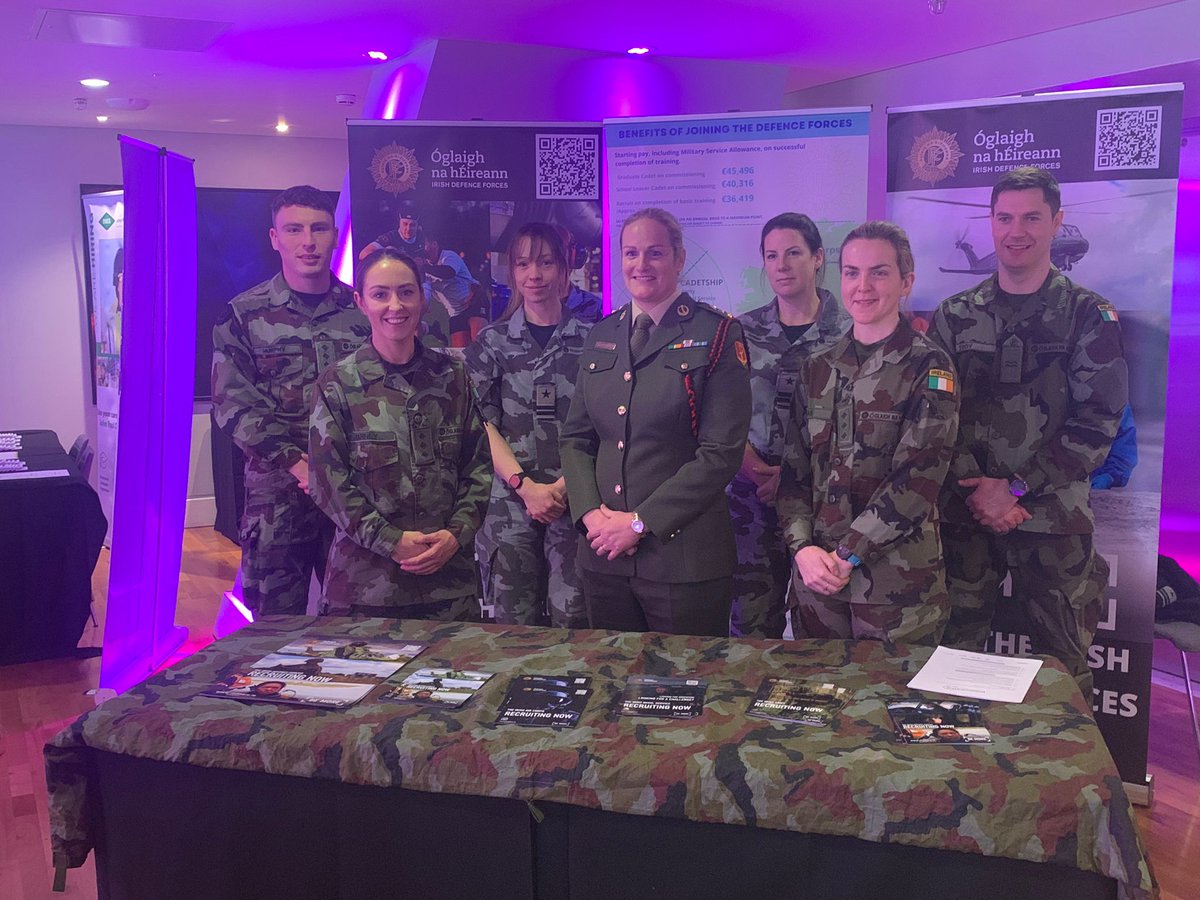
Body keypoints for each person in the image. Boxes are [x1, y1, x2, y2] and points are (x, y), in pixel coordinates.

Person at [929, 167, 1127, 695]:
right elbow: (935, 415)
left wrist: (1012, 489)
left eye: (1032, 217)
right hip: (966, 515)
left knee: (1061, 669)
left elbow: (1097, 423)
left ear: (1057, 222)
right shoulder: (955, 315)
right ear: (991, 223)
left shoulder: (1089, 316)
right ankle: (953, 775)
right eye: (1005, 217)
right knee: (953, 661)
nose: (1016, 230)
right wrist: (980, 492)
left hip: (1053, 520)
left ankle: (1065, 779)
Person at [560, 207, 751, 636]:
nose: (640, 265)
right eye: (630, 253)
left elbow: (720, 454)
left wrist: (639, 522)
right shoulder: (602, 334)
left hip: (682, 561)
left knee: (683, 690)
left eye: (655, 253)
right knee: (611, 684)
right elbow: (575, 438)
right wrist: (591, 514)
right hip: (604, 556)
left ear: (680, 259)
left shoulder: (718, 334)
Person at [776, 221, 959, 645]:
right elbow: (793, 473)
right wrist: (802, 548)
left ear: (906, 282)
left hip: (895, 590)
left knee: (890, 707)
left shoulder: (930, 369)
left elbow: (917, 479)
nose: (863, 286)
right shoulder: (816, 367)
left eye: (879, 272)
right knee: (813, 704)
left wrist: (848, 553)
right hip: (817, 586)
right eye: (852, 273)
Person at [308, 249, 491, 619]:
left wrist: (456, 534)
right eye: (381, 294)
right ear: (361, 301)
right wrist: (390, 542)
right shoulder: (338, 385)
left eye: (407, 292)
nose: (396, 305)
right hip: (365, 593)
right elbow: (328, 484)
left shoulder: (453, 378)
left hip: (449, 588)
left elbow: (478, 470)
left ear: (422, 298)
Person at [212, 185, 369, 616]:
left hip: (352, 495)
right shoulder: (245, 314)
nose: (308, 241)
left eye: (319, 228)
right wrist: (296, 462)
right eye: (294, 229)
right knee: (273, 630)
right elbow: (234, 403)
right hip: (278, 498)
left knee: (353, 625)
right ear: (274, 238)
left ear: (335, 235)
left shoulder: (362, 312)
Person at [464, 223, 601, 628]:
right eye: (523, 264)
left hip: (576, 498)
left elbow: (605, 420)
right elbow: (482, 423)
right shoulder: (491, 342)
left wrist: (561, 487)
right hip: (510, 502)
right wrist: (527, 488)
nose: (534, 275)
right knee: (512, 623)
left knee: (575, 619)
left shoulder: (595, 339)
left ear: (564, 267)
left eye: (545, 262)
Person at [728, 213, 849, 639]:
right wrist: (748, 464)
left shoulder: (850, 331)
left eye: (794, 253)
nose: (781, 265)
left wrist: (795, 477)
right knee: (749, 626)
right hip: (749, 500)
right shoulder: (739, 331)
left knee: (819, 631)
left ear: (818, 258)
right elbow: (718, 411)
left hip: (823, 505)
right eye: (772, 255)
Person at [422, 234, 483, 347]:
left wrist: (423, 267)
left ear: (434, 244)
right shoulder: (424, 269)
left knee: (479, 344)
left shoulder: (449, 256)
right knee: (460, 353)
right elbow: (426, 289)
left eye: (424, 245)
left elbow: (448, 272)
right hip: (455, 312)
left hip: (474, 301)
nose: (422, 248)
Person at [358, 206, 423, 260]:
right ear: (399, 223)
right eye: (405, 224)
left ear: (418, 226)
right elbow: (363, 254)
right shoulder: (389, 237)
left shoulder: (422, 237)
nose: (408, 229)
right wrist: (388, 257)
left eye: (412, 225)